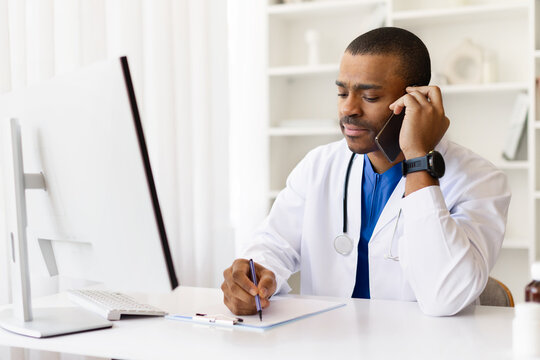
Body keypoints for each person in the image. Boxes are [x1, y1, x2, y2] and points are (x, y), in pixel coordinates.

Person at [221, 27, 511, 317]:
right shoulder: (319, 165)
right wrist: (254, 275)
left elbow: (446, 296)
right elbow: (273, 244)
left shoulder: (480, 180)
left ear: (415, 100)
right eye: (341, 92)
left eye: (369, 96)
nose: (348, 108)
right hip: (328, 341)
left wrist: (418, 159)